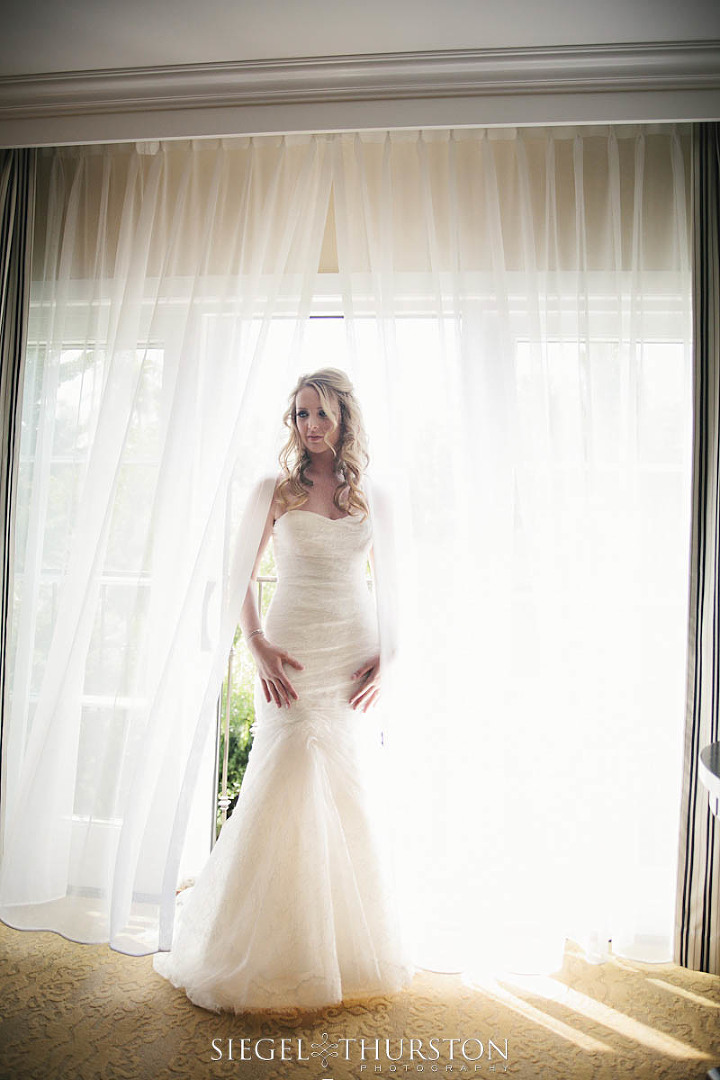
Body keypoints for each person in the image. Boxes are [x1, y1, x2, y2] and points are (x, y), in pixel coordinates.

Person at [153, 368, 413, 1012]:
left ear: (344, 418)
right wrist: (257, 642)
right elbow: (236, 573)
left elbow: (397, 588)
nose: (311, 425)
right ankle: (262, 946)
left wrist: (389, 654)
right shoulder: (274, 490)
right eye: (300, 414)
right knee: (283, 779)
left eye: (321, 413)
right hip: (292, 651)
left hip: (350, 651)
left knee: (345, 789)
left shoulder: (370, 495)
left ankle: (344, 949)